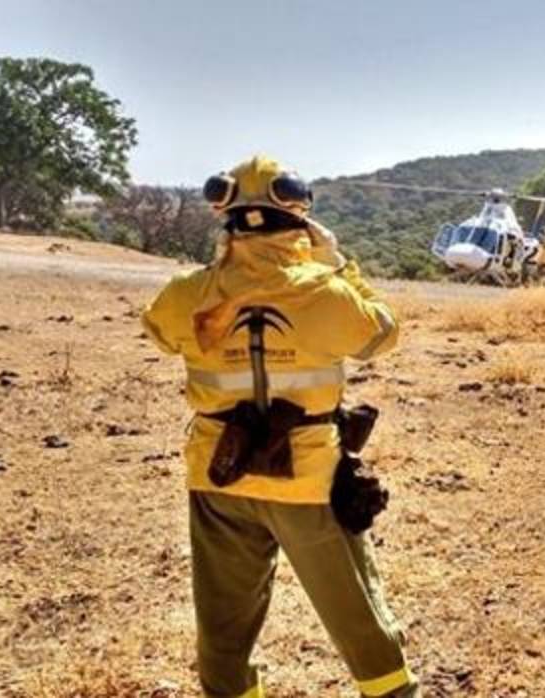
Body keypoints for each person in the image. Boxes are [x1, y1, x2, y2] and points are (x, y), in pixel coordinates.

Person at [141, 155, 418, 698]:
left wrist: (223, 269)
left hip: (218, 476)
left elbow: (158, 329)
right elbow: (383, 333)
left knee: (223, 627)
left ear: (227, 219)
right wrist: (336, 263)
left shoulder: (188, 293)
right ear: (301, 221)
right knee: (358, 617)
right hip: (307, 481)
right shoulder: (325, 292)